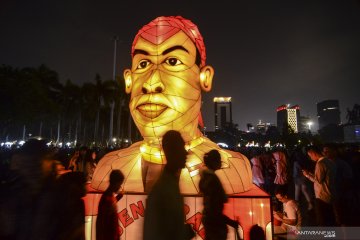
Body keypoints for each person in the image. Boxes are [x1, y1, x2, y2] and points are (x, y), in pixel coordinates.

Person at [91, 16, 252, 194]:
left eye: (173, 61)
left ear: (204, 78)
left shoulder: (234, 168)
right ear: (129, 80)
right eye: (143, 64)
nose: (151, 83)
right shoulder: (108, 167)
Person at [143, 130, 190, 240]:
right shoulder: (162, 191)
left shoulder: (171, 184)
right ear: (171, 151)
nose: (186, 153)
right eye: (181, 148)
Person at [199, 149, 239, 240]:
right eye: (219, 159)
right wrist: (229, 221)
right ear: (214, 162)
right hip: (216, 224)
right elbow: (215, 209)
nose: (220, 162)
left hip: (210, 221)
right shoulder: (213, 181)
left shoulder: (205, 178)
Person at [302, 145, 337, 226]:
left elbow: (318, 180)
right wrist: (310, 173)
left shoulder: (320, 163)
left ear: (314, 153)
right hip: (330, 194)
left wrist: (307, 175)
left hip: (322, 196)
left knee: (322, 221)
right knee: (329, 219)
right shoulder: (329, 161)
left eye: (310, 155)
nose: (310, 158)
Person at [96, 169, 124, 240]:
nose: (120, 187)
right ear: (115, 183)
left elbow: (111, 207)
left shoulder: (110, 196)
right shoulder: (106, 198)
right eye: (120, 184)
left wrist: (119, 197)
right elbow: (101, 222)